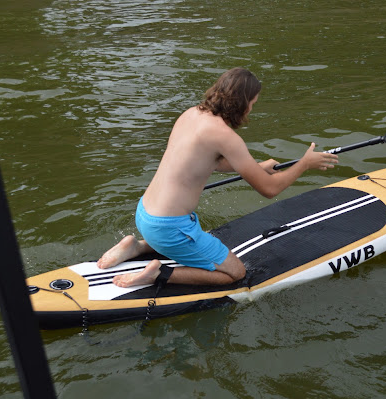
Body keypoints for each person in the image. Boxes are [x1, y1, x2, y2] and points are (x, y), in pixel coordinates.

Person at [97, 67, 338, 288]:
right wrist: (305, 164)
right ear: (243, 103)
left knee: (190, 231)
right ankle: (159, 275)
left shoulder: (191, 115)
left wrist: (257, 167)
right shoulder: (225, 136)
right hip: (169, 229)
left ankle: (136, 247)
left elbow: (208, 162)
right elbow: (269, 189)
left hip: (145, 215)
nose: (252, 108)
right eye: (253, 102)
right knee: (236, 273)